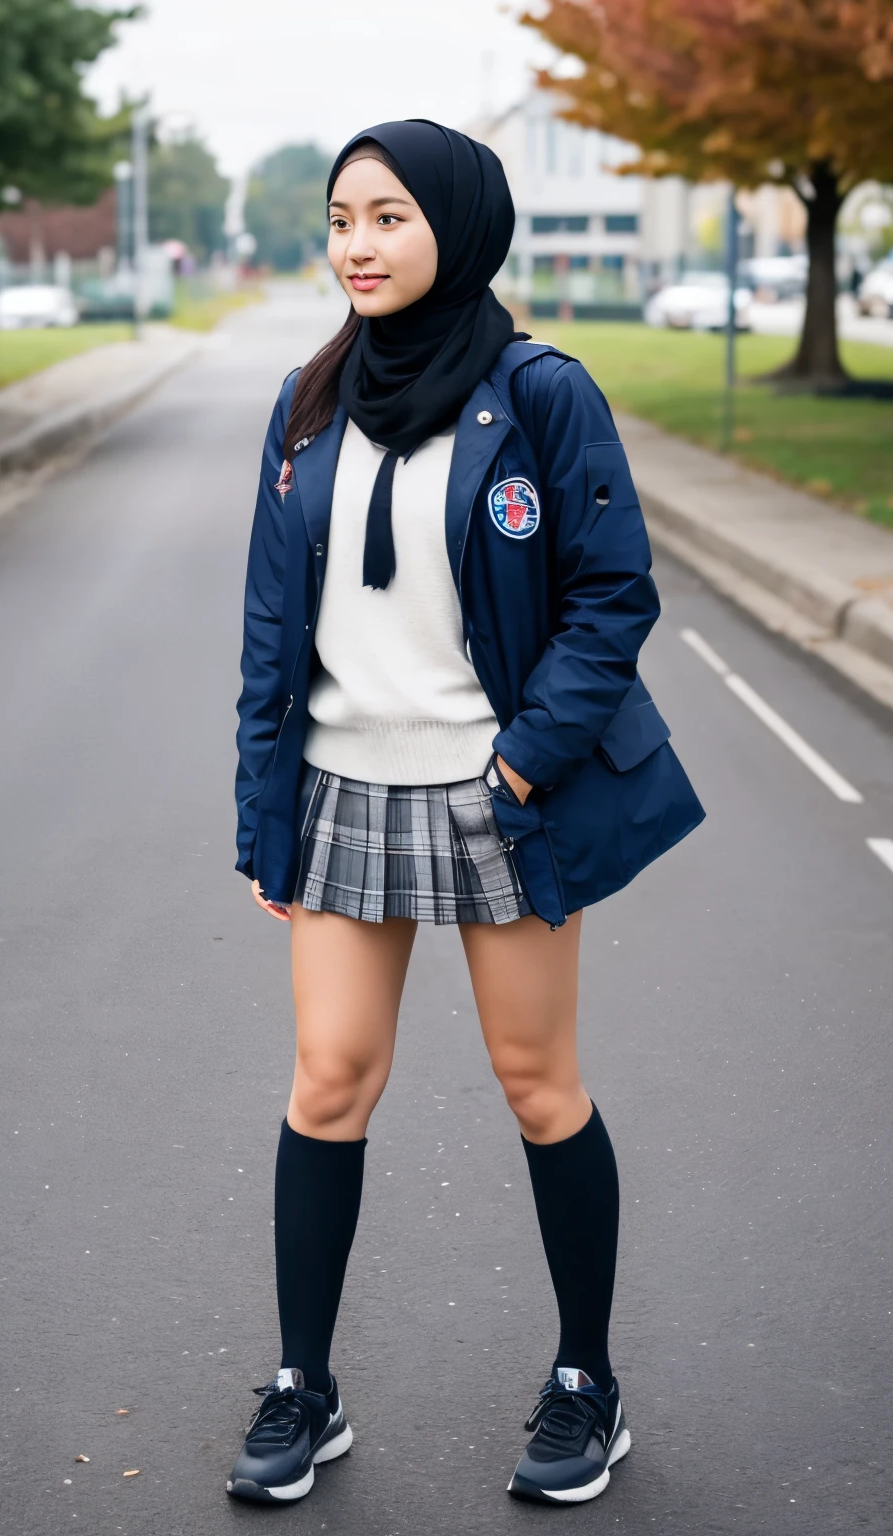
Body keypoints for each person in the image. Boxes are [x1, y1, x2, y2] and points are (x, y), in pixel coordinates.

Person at [230, 120, 704, 1508]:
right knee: (329, 1081)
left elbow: (616, 595)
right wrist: (266, 807)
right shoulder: (308, 400)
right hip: (342, 789)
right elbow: (272, 620)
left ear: (456, 226)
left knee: (538, 1085)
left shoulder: (540, 393)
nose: (357, 247)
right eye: (341, 220)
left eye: (386, 218)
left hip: (500, 795)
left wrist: (519, 764)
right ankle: (303, 1387)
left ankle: (585, 1387)